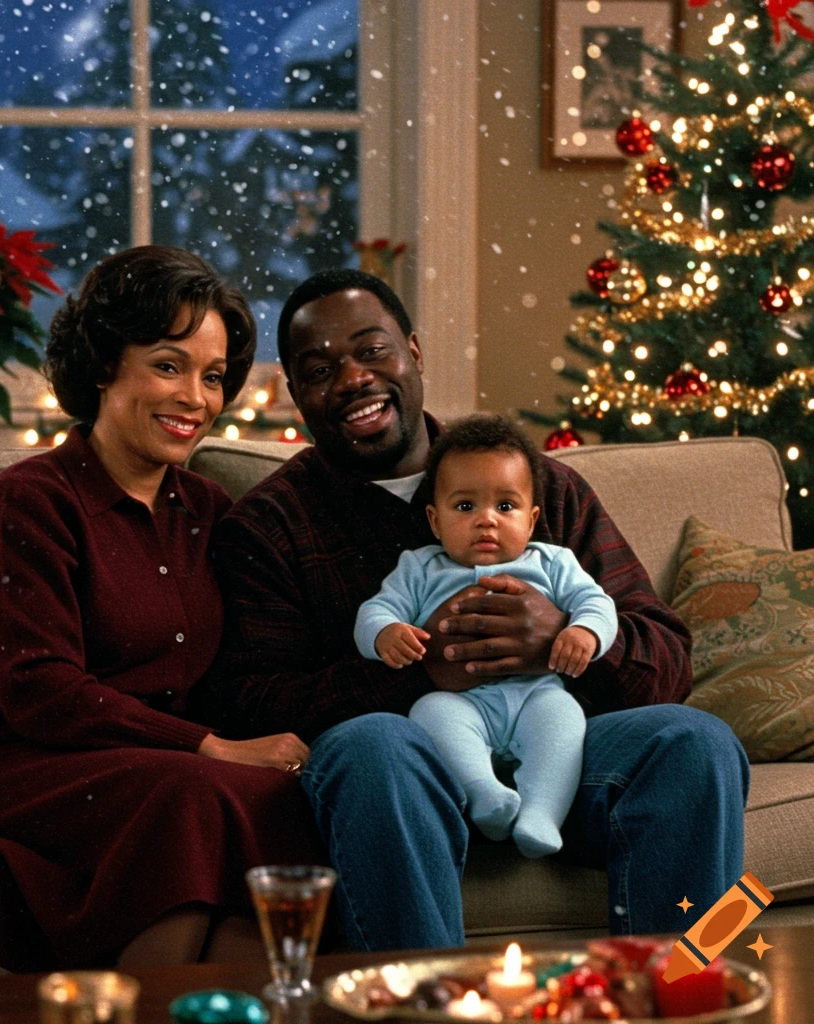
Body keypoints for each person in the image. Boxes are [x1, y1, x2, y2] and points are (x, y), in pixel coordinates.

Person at [203, 268, 749, 952]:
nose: (352, 379)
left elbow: (668, 659)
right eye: (320, 368)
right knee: (374, 744)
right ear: (296, 396)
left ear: (414, 352)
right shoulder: (271, 526)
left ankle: (679, 994)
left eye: (372, 351)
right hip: (399, 783)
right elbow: (248, 704)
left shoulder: (537, 482)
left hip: (564, 758)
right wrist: (422, 671)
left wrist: (563, 638)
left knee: (696, 741)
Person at [0, 246, 323, 973]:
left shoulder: (210, 511)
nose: (196, 399)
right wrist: (207, 746)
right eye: (168, 366)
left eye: (213, 376)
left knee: (279, 798)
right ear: (104, 362)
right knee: (194, 793)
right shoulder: (31, 499)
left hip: (158, 774)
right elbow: (40, 690)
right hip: (16, 763)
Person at [355, 414, 617, 859]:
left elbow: (599, 604)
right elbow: (375, 610)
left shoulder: (552, 562)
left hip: (535, 694)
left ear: (532, 519)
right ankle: (485, 796)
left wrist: (584, 632)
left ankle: (541, 813)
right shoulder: (420, 567)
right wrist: (386, 634)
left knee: (564, 717)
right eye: (465, 507)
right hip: (462, 703)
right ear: (435, 522)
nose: (486, 522)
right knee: (429, 712)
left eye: (505, 507)